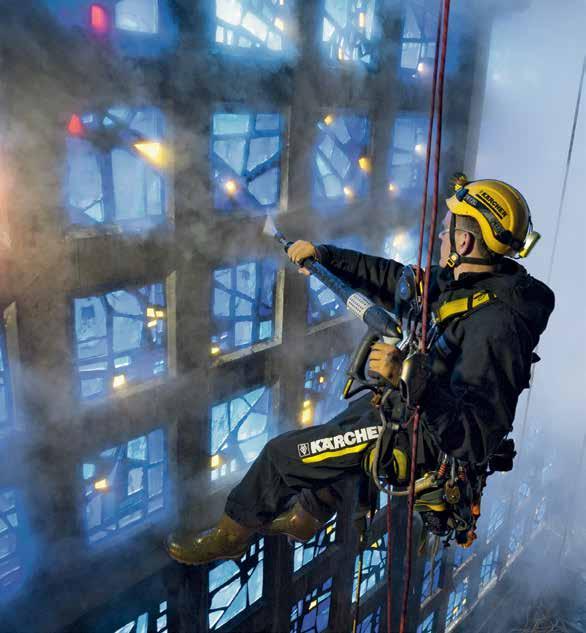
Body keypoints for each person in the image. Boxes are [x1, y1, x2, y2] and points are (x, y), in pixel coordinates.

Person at [166, 176, 554, 565]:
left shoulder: (497, 326)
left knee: (281, 455)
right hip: (412, 411)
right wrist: (326, 257)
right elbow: (397, 281)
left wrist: (409, 377)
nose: (440, 234)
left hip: (427, 443)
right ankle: (306, 517)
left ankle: (233, 533)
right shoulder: (469, 283)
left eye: (447, 228)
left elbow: (477, 439)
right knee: (347, 424)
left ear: (465, 243)